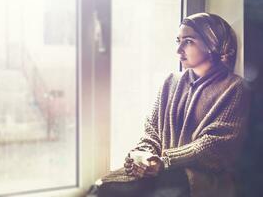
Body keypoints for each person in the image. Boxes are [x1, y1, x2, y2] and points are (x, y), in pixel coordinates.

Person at [94, 12, 250, 197]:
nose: (178, 50)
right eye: (178, 41)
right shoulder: (170, 82)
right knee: (101, 187)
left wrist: (166, 161)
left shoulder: (234, 87)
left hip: (203, 181)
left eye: (188, 41)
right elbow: (152, 131)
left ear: (212, 44)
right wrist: (141, 156)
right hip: (161, 171)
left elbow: (215, 145)